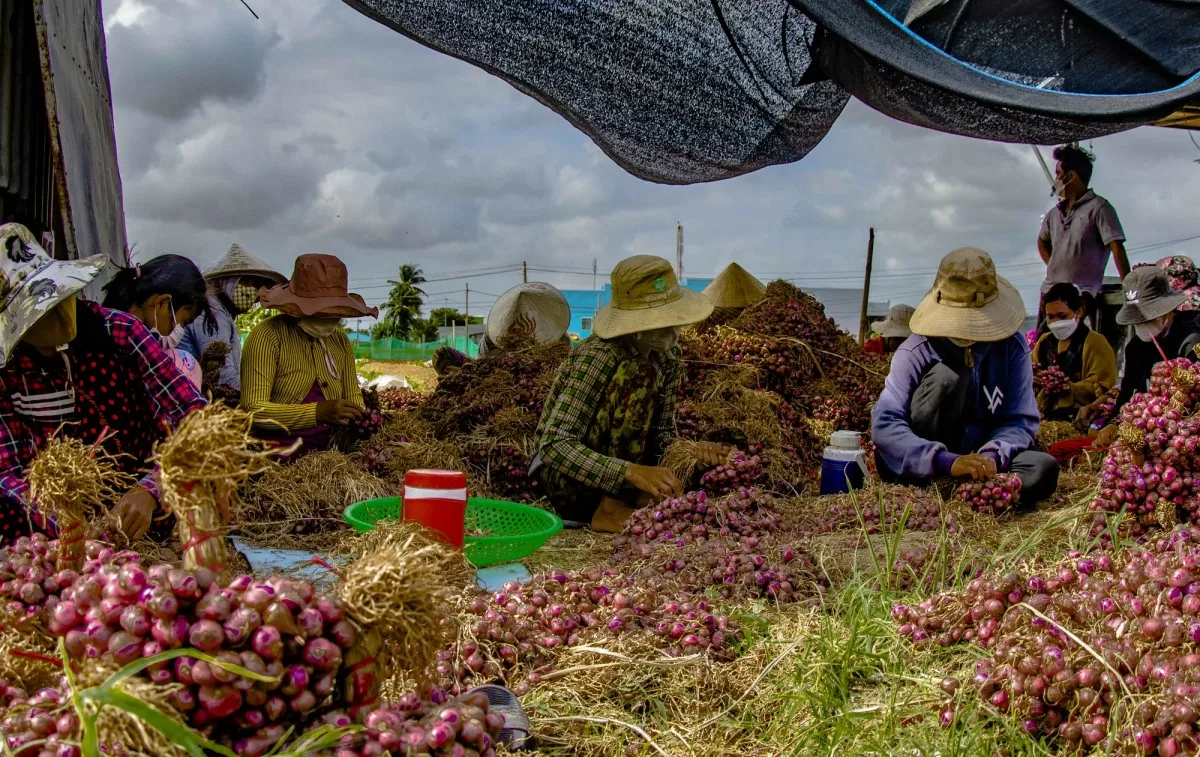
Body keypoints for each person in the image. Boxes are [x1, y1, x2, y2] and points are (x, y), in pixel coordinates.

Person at [0, 223, 206, 543]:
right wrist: (69, 525)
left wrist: (152, 488)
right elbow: (7, 473)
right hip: (48, 527)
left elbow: (193, 414)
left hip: (139, 516)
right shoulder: (8, 372)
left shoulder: (119, 332)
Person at [534, 255, 726, 533]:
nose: (674, 331)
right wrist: (631, 472)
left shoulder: (668, 357)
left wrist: (692, 453)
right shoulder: (599, 355)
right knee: (635, 373)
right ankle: (608, 507)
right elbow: (553, 445)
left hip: (625, 477)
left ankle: (627, 498)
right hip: (570, 481)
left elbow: (661, 437)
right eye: (663, 321)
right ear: (634, 326)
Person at [872, 248, 1059, 508]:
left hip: (983, 460)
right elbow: (886, 423)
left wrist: (993, 454)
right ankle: (938, 481)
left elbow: (1020, 420)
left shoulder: (1012, 348)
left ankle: (969, 491)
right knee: (948, 376)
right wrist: (948, 462)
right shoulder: (916, 350)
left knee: (1043, 469)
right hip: (929, 457)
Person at [240, 254, 378, 456]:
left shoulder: (339, 341)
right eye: (320, 312)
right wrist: (317, 412)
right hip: (277, 457)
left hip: (331, 458)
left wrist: (357, 414)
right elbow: (253, 410)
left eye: (333, 312)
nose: (329, 319)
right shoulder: (267, 336)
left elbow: (353, 397)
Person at [1086, 267, 1200, 447]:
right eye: (1137, 321)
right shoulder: (1135, 348)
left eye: (1147, 318)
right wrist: (1112, 424)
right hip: (1149, 432)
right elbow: (1127, 395)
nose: (1142, 325)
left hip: (1185, 431)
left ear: (1167, 310)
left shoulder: (1192, 340)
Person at [1036, 144, 1130, 330]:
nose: (1056, 179)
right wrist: (1054, 265)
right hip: (1050, 290)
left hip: (1082, 294)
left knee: (1075, 344)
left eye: (1058, 173)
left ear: (1070, 176)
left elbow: (1117, 247)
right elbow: (1042, 241)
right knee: (1043, 345)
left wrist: (1130, 288)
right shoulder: (1054, 213)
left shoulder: (1100, 208)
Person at [179, 244, 287, 390]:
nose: (252, 291)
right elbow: (222, 377)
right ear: (228, 281)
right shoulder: (212, 313)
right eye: (246, 281)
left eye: (256, 285)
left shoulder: (222, 313)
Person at [102, 254, 214, 390]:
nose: (180, 331)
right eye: (183, 322)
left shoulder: (109, 326)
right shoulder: (118, 350)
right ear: (162, 303)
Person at [1032, 283, 1117, 422]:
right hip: (1044, 418)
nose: (1056, 322)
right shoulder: (1044, 342)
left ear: (1078, 312)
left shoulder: (1095, 342)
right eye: (1050, 317)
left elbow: (1105, 389)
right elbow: (1031, 371)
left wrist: (1069, 389)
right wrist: (1035, 379)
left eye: (1062, 315)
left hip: (1081, 419)